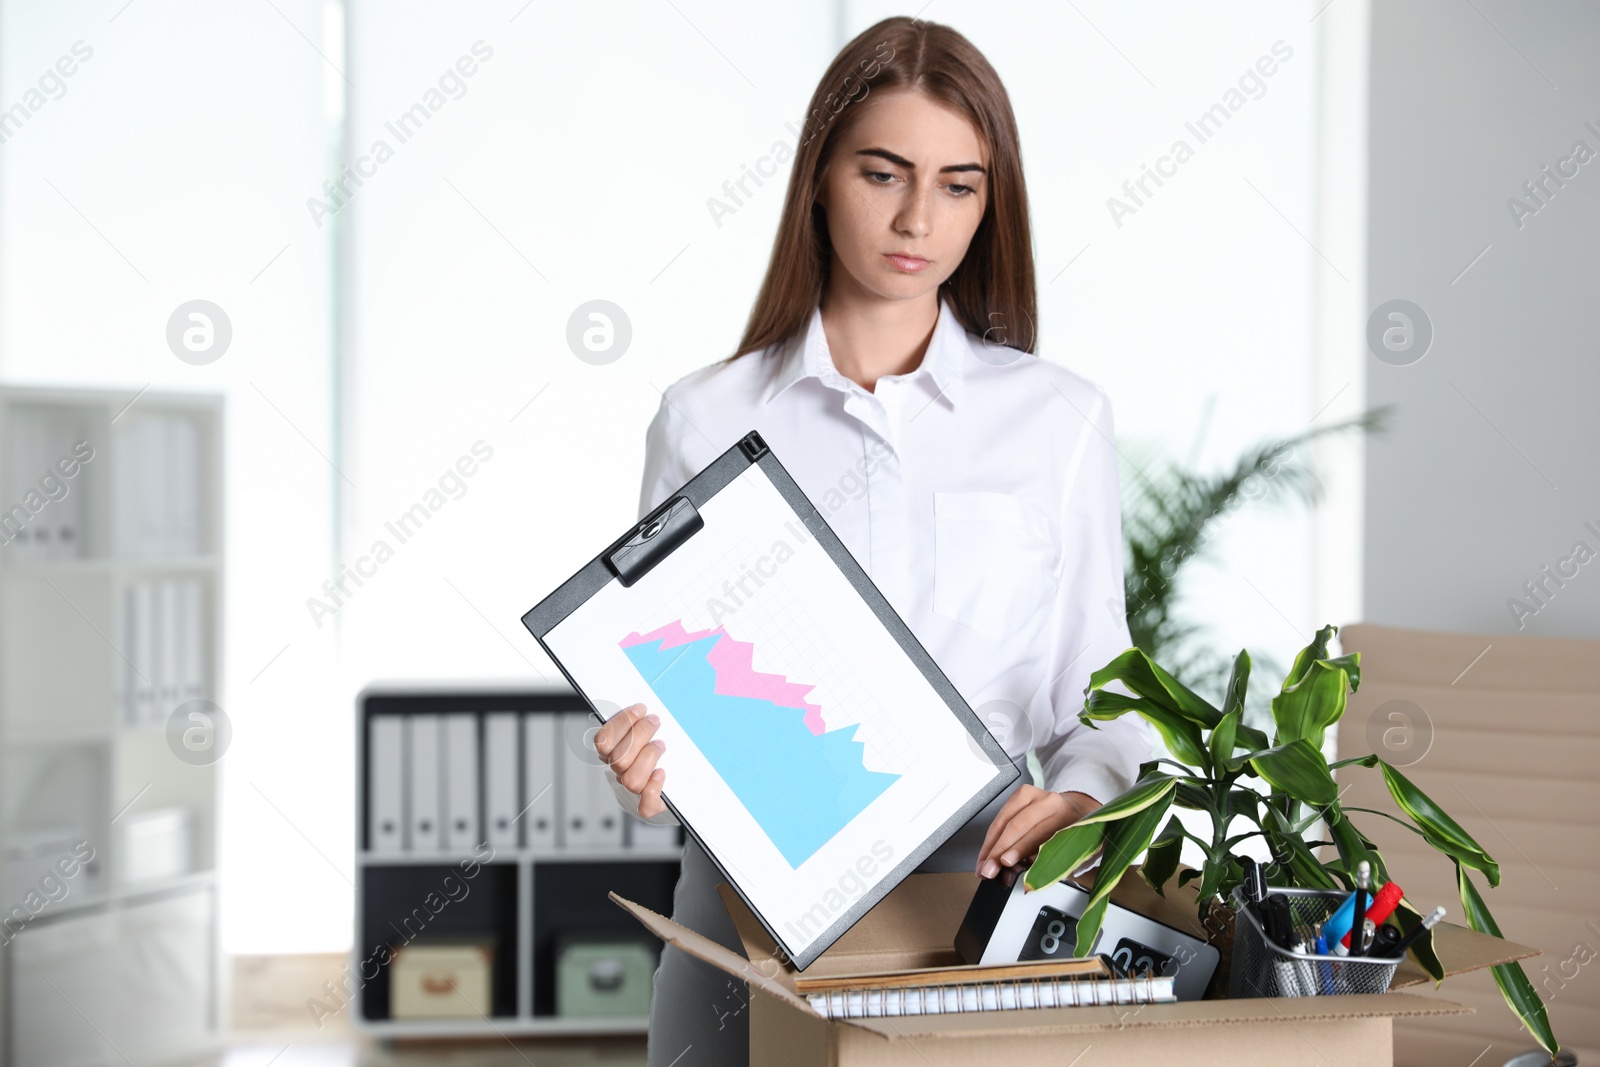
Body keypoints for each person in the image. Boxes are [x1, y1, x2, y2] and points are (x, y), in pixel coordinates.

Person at [591, 15, 1154, 1065]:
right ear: (818, 176)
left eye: (957, 185)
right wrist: (643, 746)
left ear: (991, 203)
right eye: (882, 173)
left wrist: (1080, 798)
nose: (916, 218)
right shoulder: (704, 418)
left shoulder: (1058, 419)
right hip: (743, 907)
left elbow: (1098, 694)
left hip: (967, 900)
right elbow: (663, 681)